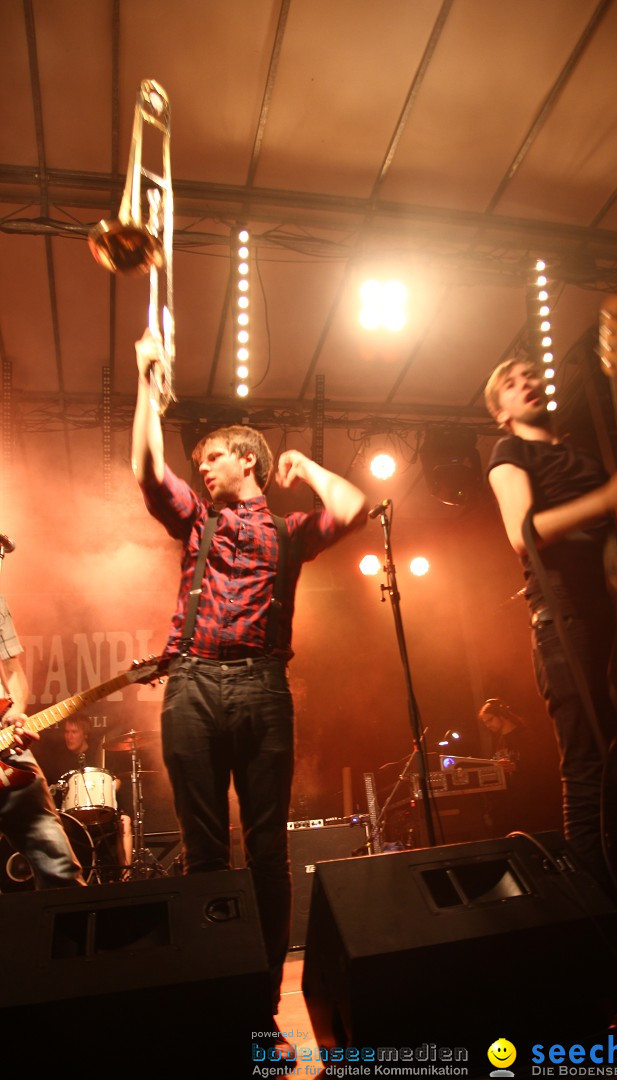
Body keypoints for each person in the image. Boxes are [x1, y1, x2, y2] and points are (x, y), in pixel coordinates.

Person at [131, 329, 367, 1044]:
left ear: (248, 460)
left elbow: (355, 506)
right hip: (193, 688)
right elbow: (147, 471)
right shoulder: (197, 520)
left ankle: (262, 1010)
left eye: (211, 457)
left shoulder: (291, 529)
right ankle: (222, 1004)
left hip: (263, 690)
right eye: (198, 459)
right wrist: (147, 385)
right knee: (206, 853)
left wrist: (309, 464)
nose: (200, 468)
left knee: (267, 852)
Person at [483, 309, 617, 918]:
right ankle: (603, 931)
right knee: (589, 772)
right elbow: (523, 534)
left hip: (615, 618)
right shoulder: (508, 451)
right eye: (512, 381)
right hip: (566, 623)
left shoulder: (578, 454)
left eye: (532, 374)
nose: (528, 382)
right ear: (499, 409)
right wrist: (606, 497)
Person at [0, 594, 84, 889]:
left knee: (58, 863)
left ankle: (73, 929)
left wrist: (15, 712)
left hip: (6, 752)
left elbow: (12, 670)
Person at [42, 716, 133, 878]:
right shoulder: (59, 759)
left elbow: (117, 780)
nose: (69, 736)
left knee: (125, 821)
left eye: (74, 732)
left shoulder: (100, 753)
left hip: (101, 809)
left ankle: (126, 877)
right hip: (72, 815)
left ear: (85, 734)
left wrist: (107, 790)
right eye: (66, 732)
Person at [477, 698, 526, 836]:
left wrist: (515, 767)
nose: (487, 725)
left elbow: (541, 763)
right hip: (509, 805)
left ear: (502, 714)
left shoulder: (524, 736)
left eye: (490, 720)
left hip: (528, 803)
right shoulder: (499, 740)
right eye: (485, 722)